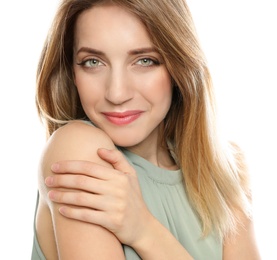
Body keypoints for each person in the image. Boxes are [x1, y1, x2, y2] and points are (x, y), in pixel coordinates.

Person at [31, 0, 261, 259]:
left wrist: (144, 230)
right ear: (72, 71)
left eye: (145, 61)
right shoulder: (78, 148)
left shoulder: (226, 169)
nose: (117, 93)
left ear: (179, 66)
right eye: (93, 62)